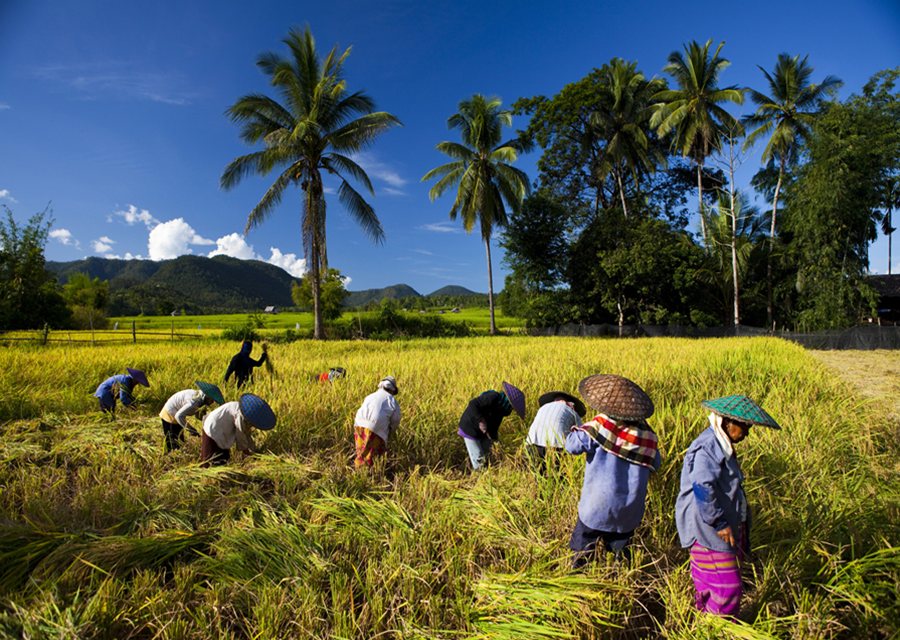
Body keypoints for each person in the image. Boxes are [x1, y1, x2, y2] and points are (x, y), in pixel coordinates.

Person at [675, 395, 781, 618]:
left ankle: (704, 624)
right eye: (744, 427)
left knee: (709, 585)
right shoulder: (708, 447)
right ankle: (718, 627)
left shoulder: (721, 445)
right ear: (727, 422)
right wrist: (719, 522)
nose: (747, 433)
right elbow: (702, 485)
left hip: (717, 525)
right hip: (708, 529)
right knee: (728, 587)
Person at [566, 374, 661, 567]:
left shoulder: (600, 426)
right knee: (622, 560)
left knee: (581, 556)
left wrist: (578, 429)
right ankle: (620, 577)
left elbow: (572, 446)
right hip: (628, 512)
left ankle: (578, 576)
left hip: (595, 508)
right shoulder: (648, 437)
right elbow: (656, 464)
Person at [458, 381, 525, 471]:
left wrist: (495, 441)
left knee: (488, 454)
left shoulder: (502, 410)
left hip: (482, 431)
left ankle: (484, 472)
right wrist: (481, 420)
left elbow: (494, 427)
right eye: (512, 407)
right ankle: (479, 475)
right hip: (470, 427)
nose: (512, 409)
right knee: (479, 458)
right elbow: (473, 404)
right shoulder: (493, 397)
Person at [200, 393, 276, 467]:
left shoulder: (243, 411)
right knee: (209, 460)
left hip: (221, 430)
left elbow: (247, 434)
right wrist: (246, 451)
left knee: (223, 457)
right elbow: (240, 434)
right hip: (212, 429)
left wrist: (253, 450)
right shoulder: (240, 415)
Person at [525, 391, 586, 469]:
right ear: (569, 403)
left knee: (536, 472)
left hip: (532, 442)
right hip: (556, 445)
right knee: (558, 473)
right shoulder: (572, 412)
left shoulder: (543, 408)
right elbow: (581, 435)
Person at [159, 381, 225, 453]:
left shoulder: (200, 399)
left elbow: (198, 415)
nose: (212, 402)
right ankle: (170, 456)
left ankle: (178, 454)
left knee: (180, 441)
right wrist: (191, 429)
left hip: (176, 414)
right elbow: (179, 416)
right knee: (172, 442)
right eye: (212, 400)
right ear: (207, 396)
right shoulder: (194, 402)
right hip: (169, 414)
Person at [352, 376, 401, 468]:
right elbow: (395, 420)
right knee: (372, 456)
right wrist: (390, 432)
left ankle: (358, 471)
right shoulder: (392, 401)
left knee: (361, 452)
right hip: (376, 428)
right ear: (392, 390)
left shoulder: (370, 396)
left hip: (359, 424)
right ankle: (368, 473)